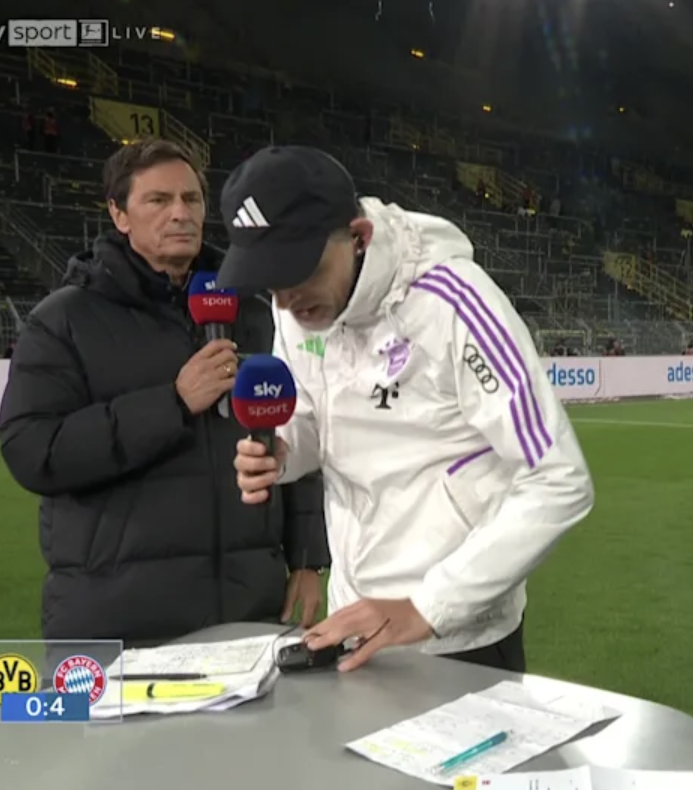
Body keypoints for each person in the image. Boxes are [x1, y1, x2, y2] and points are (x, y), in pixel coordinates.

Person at [226, 146, 594, 673]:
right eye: (269, 280)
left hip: (459, 637)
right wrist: (283, 453)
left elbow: (559, 479)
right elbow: (309, 420)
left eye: (297, 270)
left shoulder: (455, 303)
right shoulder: (297, 307)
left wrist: (429, 606)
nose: (284, 302)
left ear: (358, 237)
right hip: (354, 622)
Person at [0, 139, 329, 646]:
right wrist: (172, 403)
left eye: (191, 199)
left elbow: (294, 431)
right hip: (117, 620)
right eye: (158, 200)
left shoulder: (256, 312)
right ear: (119, 213)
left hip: (248, 613)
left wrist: (307, 558)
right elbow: (32, 451)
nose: (180, 213)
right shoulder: (64, 320)